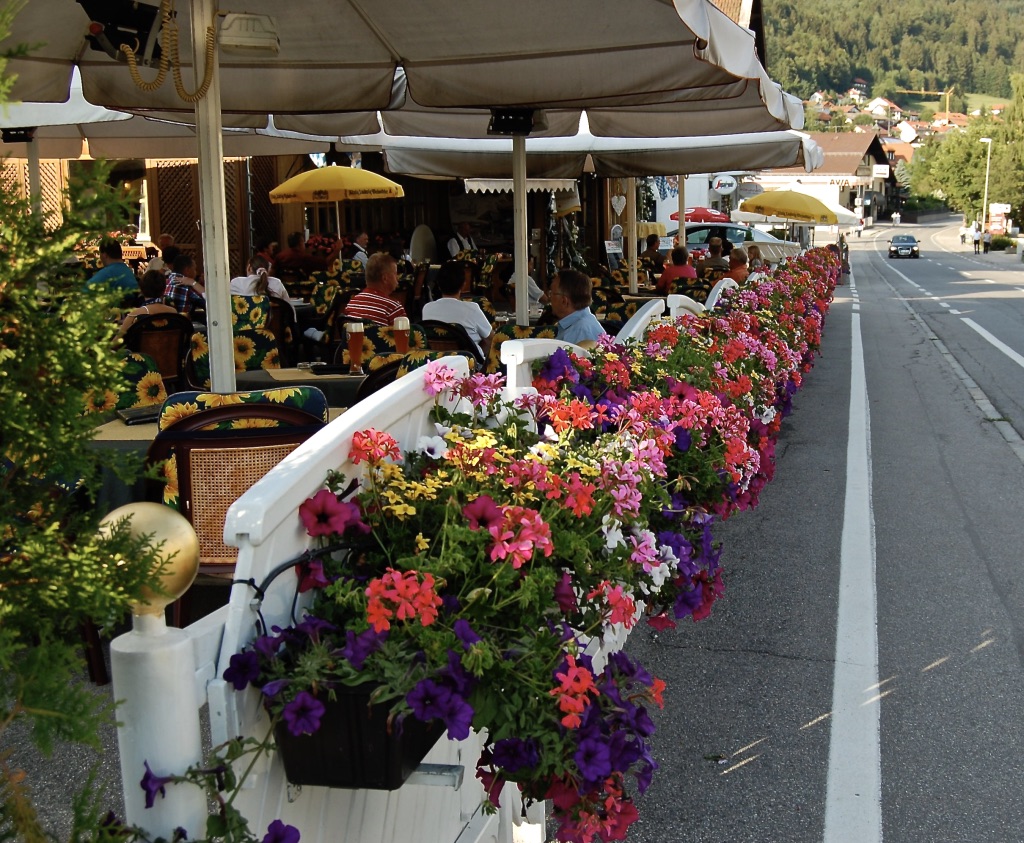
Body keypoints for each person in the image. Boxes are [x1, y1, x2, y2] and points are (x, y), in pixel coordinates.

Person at [422, 261, 494, 358]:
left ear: (438, 285)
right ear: (463, 285)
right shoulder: (472, 309)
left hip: (437, 365)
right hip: (470, 365)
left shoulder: (427, 309)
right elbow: (491, 340)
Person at [343, 252, 407, 326]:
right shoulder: (393, 308)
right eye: (395, 273)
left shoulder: (352, 304)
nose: (397, 277)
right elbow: (404, 336)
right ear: (385, 278)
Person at [116, 269, 178, 338]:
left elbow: (115, 344)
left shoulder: (134, 315)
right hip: (169, 348)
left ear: (141, 290)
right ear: (164, 290)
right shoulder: (174, 313)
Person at [550, 269, 604, 346]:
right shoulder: (582, 322)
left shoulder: (579, 331)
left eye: (552, 293)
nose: (550, 298)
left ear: (564, 301)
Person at [163, 253, 206, 318]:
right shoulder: (186, 285)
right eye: (195, 269)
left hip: (166, 321)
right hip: (181, 323)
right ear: (187, 270)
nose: (196, 272)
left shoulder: (166, 281)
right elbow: (208, 301)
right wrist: (194, 283)